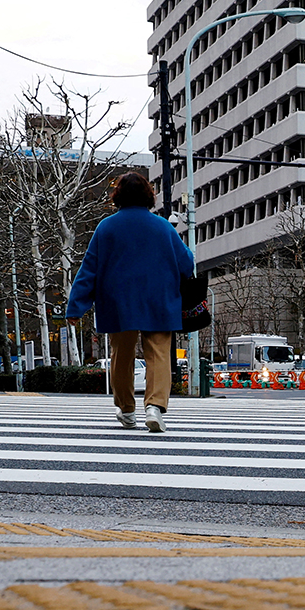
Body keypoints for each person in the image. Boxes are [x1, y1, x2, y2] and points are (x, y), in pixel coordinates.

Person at [67, 172, 195, 432]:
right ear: (149, 195)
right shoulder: (163, 227)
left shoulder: (107, 227)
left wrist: (76, 306)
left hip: (119, 301)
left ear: (118, 196)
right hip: (159, 299)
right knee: (159, 354)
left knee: (121, 356)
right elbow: (186, 263)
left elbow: (89, 270)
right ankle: (155, 407)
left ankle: (126, 410)